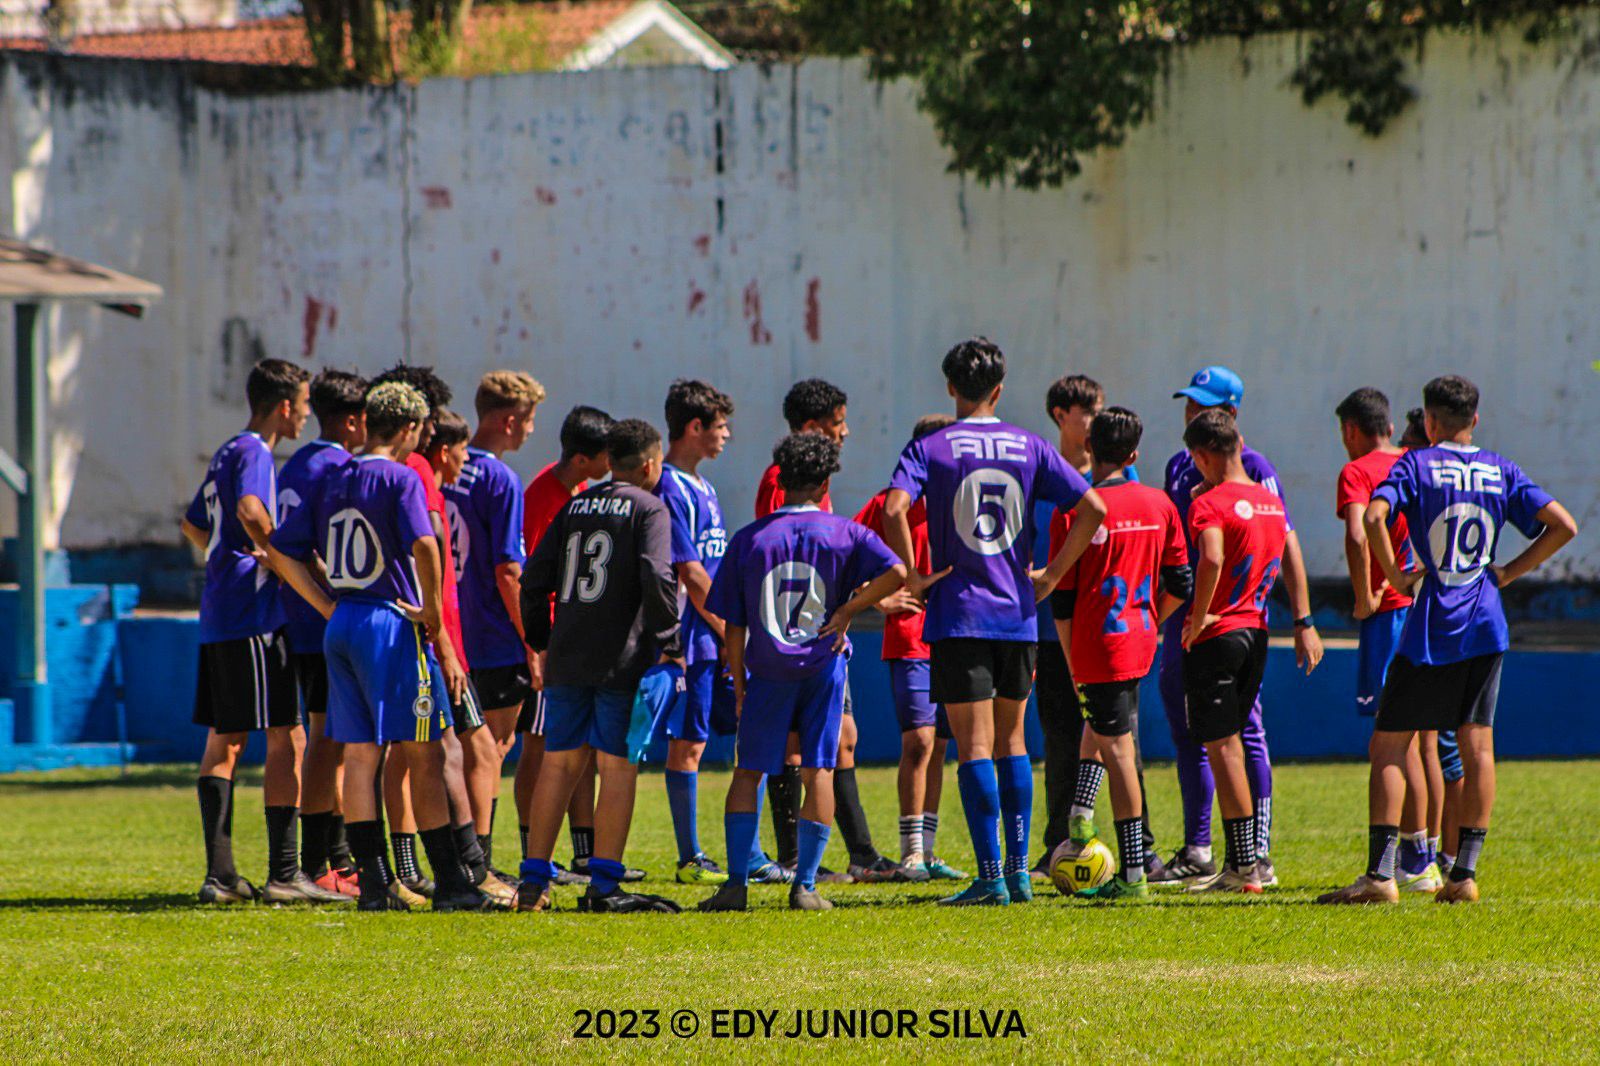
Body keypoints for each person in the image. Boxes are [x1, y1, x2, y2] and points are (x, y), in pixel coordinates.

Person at [1318, 375, 1576, 904]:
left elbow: (1372, 516)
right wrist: (1506, 572)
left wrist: (1392, 576)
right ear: (1475, 420)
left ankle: (1381, 876)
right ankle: (1463, 875)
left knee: (1389, 744)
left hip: (1432, 621)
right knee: (1476, 743)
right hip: (1485, 619)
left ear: (1429, 422)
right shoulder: (1500, 468)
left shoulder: (1415, 463)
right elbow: (1563, 525)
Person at [882, 337, 1107, 906]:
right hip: (1017, 616)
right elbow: (1093, 509)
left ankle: (989, 879)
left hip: (959, 616)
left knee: (974, 748)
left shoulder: (930, 448)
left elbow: (892, 508)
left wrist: (912, 576)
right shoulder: (1028, 444)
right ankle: (1019, 873)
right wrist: (1052, 575)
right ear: (1000, 389)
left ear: (951, 388)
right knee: (1012, 743)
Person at [269, 381, 491, 912]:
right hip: (390, 624)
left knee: (362, 754)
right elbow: (423, 544)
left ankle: (374, 884)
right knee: (426, 752)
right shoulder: (399, 477)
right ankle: (453, 884)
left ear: (367, 421)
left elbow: (281, 551)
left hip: (343, 622)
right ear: (411, 429)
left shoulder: (334, 474)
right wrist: (433, 615)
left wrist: (329, 606)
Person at [699, 433, 907, 911]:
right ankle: (806, 886)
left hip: (767, 670)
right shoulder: (844, 532)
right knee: (819, 771)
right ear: (826, 480)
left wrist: (738, 681)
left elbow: (734, 623)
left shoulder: (750, 538)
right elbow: (897, 573)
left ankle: (735, 885)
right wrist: (849, 610)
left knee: (747, 771)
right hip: (822, 667)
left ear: (781, 479)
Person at [1151, 366, 1320, 888]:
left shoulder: (1239, 481)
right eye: (1188, 403)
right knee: (1202, 735)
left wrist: (1200, 613)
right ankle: (1221, 855)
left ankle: (1250, 858)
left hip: (1218, 623)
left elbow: (1214, 556)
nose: (1191, 412)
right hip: (1246, 627)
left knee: (1230, 740)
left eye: (1201, 407)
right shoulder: (1200, 476)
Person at [181, 357, 341, 905]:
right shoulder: (254, 452)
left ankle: (221, 876)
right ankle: (284, 873)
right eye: (301, 404)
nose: (304, 414)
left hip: (218, 612)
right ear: (282, 407)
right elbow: (250, 508)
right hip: (253, 616)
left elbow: (193, 524)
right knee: (288, 736)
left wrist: (229, 557)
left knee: (224, 741)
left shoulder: (228, 448)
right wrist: (275, 555)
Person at [515, 419, 684, 913]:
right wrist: (671, 642)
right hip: (621, 661)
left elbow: (533, 580)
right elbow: (657, 573)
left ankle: (532, 884)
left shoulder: (575, 505)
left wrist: (541, 639)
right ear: (650, 465)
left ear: (610, 461)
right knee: (617, 767)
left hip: (568, 656)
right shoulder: (650, 508)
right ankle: (605, 886)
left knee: (560, 762)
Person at [371, 366, 507, 905]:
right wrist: (443, 639)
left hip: (424, 629)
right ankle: (467, 873)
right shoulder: (415, 474)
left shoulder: (404, 471)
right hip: (430, 634)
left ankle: (420, 871)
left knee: (414, 753)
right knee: (449, 749)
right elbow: (426, 554)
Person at [755, 379, 899, 884]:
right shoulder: (784, 480)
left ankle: (859, 854)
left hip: (825, 631)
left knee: (843, 739)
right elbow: (793, 555)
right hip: (801, 635)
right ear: (816, 426)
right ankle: (796, 860)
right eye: (839, 421)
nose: (846, 431)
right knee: (800, 746)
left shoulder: (813, 481)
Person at [1051, 408, 1189, 900]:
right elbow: (1181, 583)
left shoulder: (1074, 510)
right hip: (1135, 641)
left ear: (1089, 446)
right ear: (1134, 453)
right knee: (1102, 729)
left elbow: (1062, 602)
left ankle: (1132, 875)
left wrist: (1071, 661)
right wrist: (1151, 620)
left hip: (1096, 648)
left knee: (1120, 751)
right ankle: (1081, 823)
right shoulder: (1161, 505)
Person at [514, 405, 630, 884]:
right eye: (606, 455)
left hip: (576, 644)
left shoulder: (577, 492)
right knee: (542, 749)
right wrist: (534, 647)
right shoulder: (547, 498)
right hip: (555, 646)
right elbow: (530, 578)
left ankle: (584, 853)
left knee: (578, 751)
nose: (612, 462)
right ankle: (532, 853)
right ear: (583, 459)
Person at [1334, 387, 1441, 892]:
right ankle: (1421, 858)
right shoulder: (1415, 462)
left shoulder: (1358, 471)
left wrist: (1363, 596)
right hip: (1425, 610)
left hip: (1389, 615)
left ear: (1352, 429)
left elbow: (1358, 535)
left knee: (1388, 742)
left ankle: (1393, 866)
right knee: (1420, 741)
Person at [854, 413, 966, 882]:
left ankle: (929, 851)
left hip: (957, 633)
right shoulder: (885, 504)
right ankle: (911, 852)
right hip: (910, 637)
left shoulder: (963, 499)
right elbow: (846, 559)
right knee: (918, 740)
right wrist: (878, 599)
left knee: (941, 743)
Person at [443, 370, 545, 878]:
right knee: (491, 753)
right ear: (509, 420)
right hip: (493, 638)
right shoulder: (500, 480)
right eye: (528, 421)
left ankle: (453, 858)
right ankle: (478, 864)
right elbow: (508, 570)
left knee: (450, 751)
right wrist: (533, 641)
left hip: (447, 635)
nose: (530, 431)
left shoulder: (441, 470)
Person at [276, 369, 367, 897]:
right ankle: (318, 863)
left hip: (305, 623)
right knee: (329, 742)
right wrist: (328, 603)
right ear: (354, 421)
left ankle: (334, 858)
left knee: (330, 740)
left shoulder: (302, 461)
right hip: (320, 627)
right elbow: (289, 546)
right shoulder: (336, 467)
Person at [654, 379, 736, 885]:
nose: (727, 436)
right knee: (686, 743)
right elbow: (691, 572)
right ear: (695, 427)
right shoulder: (667, 485)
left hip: (712, 632)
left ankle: (741, 852)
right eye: (721, 426)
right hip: (689, 633)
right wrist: (730, 631)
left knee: (707, 739)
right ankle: (689, 857)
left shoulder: (703, 485)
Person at [1399, 406, 1467, 871]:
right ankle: (1445, 854)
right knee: (1446, 745)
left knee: (1434, 745)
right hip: (1461, 621)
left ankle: (1435, 854)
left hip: (1437, 624)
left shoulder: (1426, 487)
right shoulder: (1459, 485)